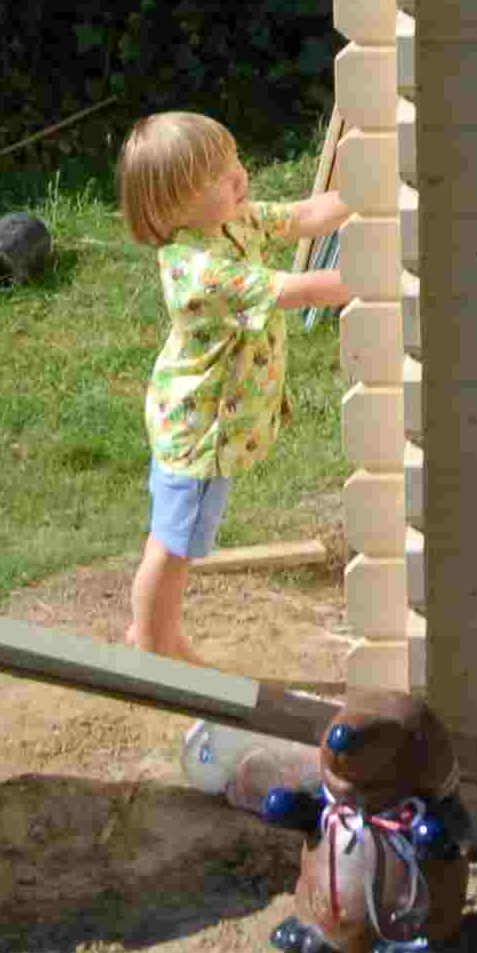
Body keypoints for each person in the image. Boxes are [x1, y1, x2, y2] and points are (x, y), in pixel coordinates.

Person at [116, 111, 350, 662]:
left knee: (175, 541)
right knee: (172, 548)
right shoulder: (198, 271)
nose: (239, 177)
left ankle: (153, 634)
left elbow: (307, 215)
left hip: (202, 423)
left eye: (234, 161)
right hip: (200, 433)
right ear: (173, 207)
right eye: (219, 177)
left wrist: (370, 189)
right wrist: (382, 274)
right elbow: (301, 291)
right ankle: (153, 642)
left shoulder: (232, 220)